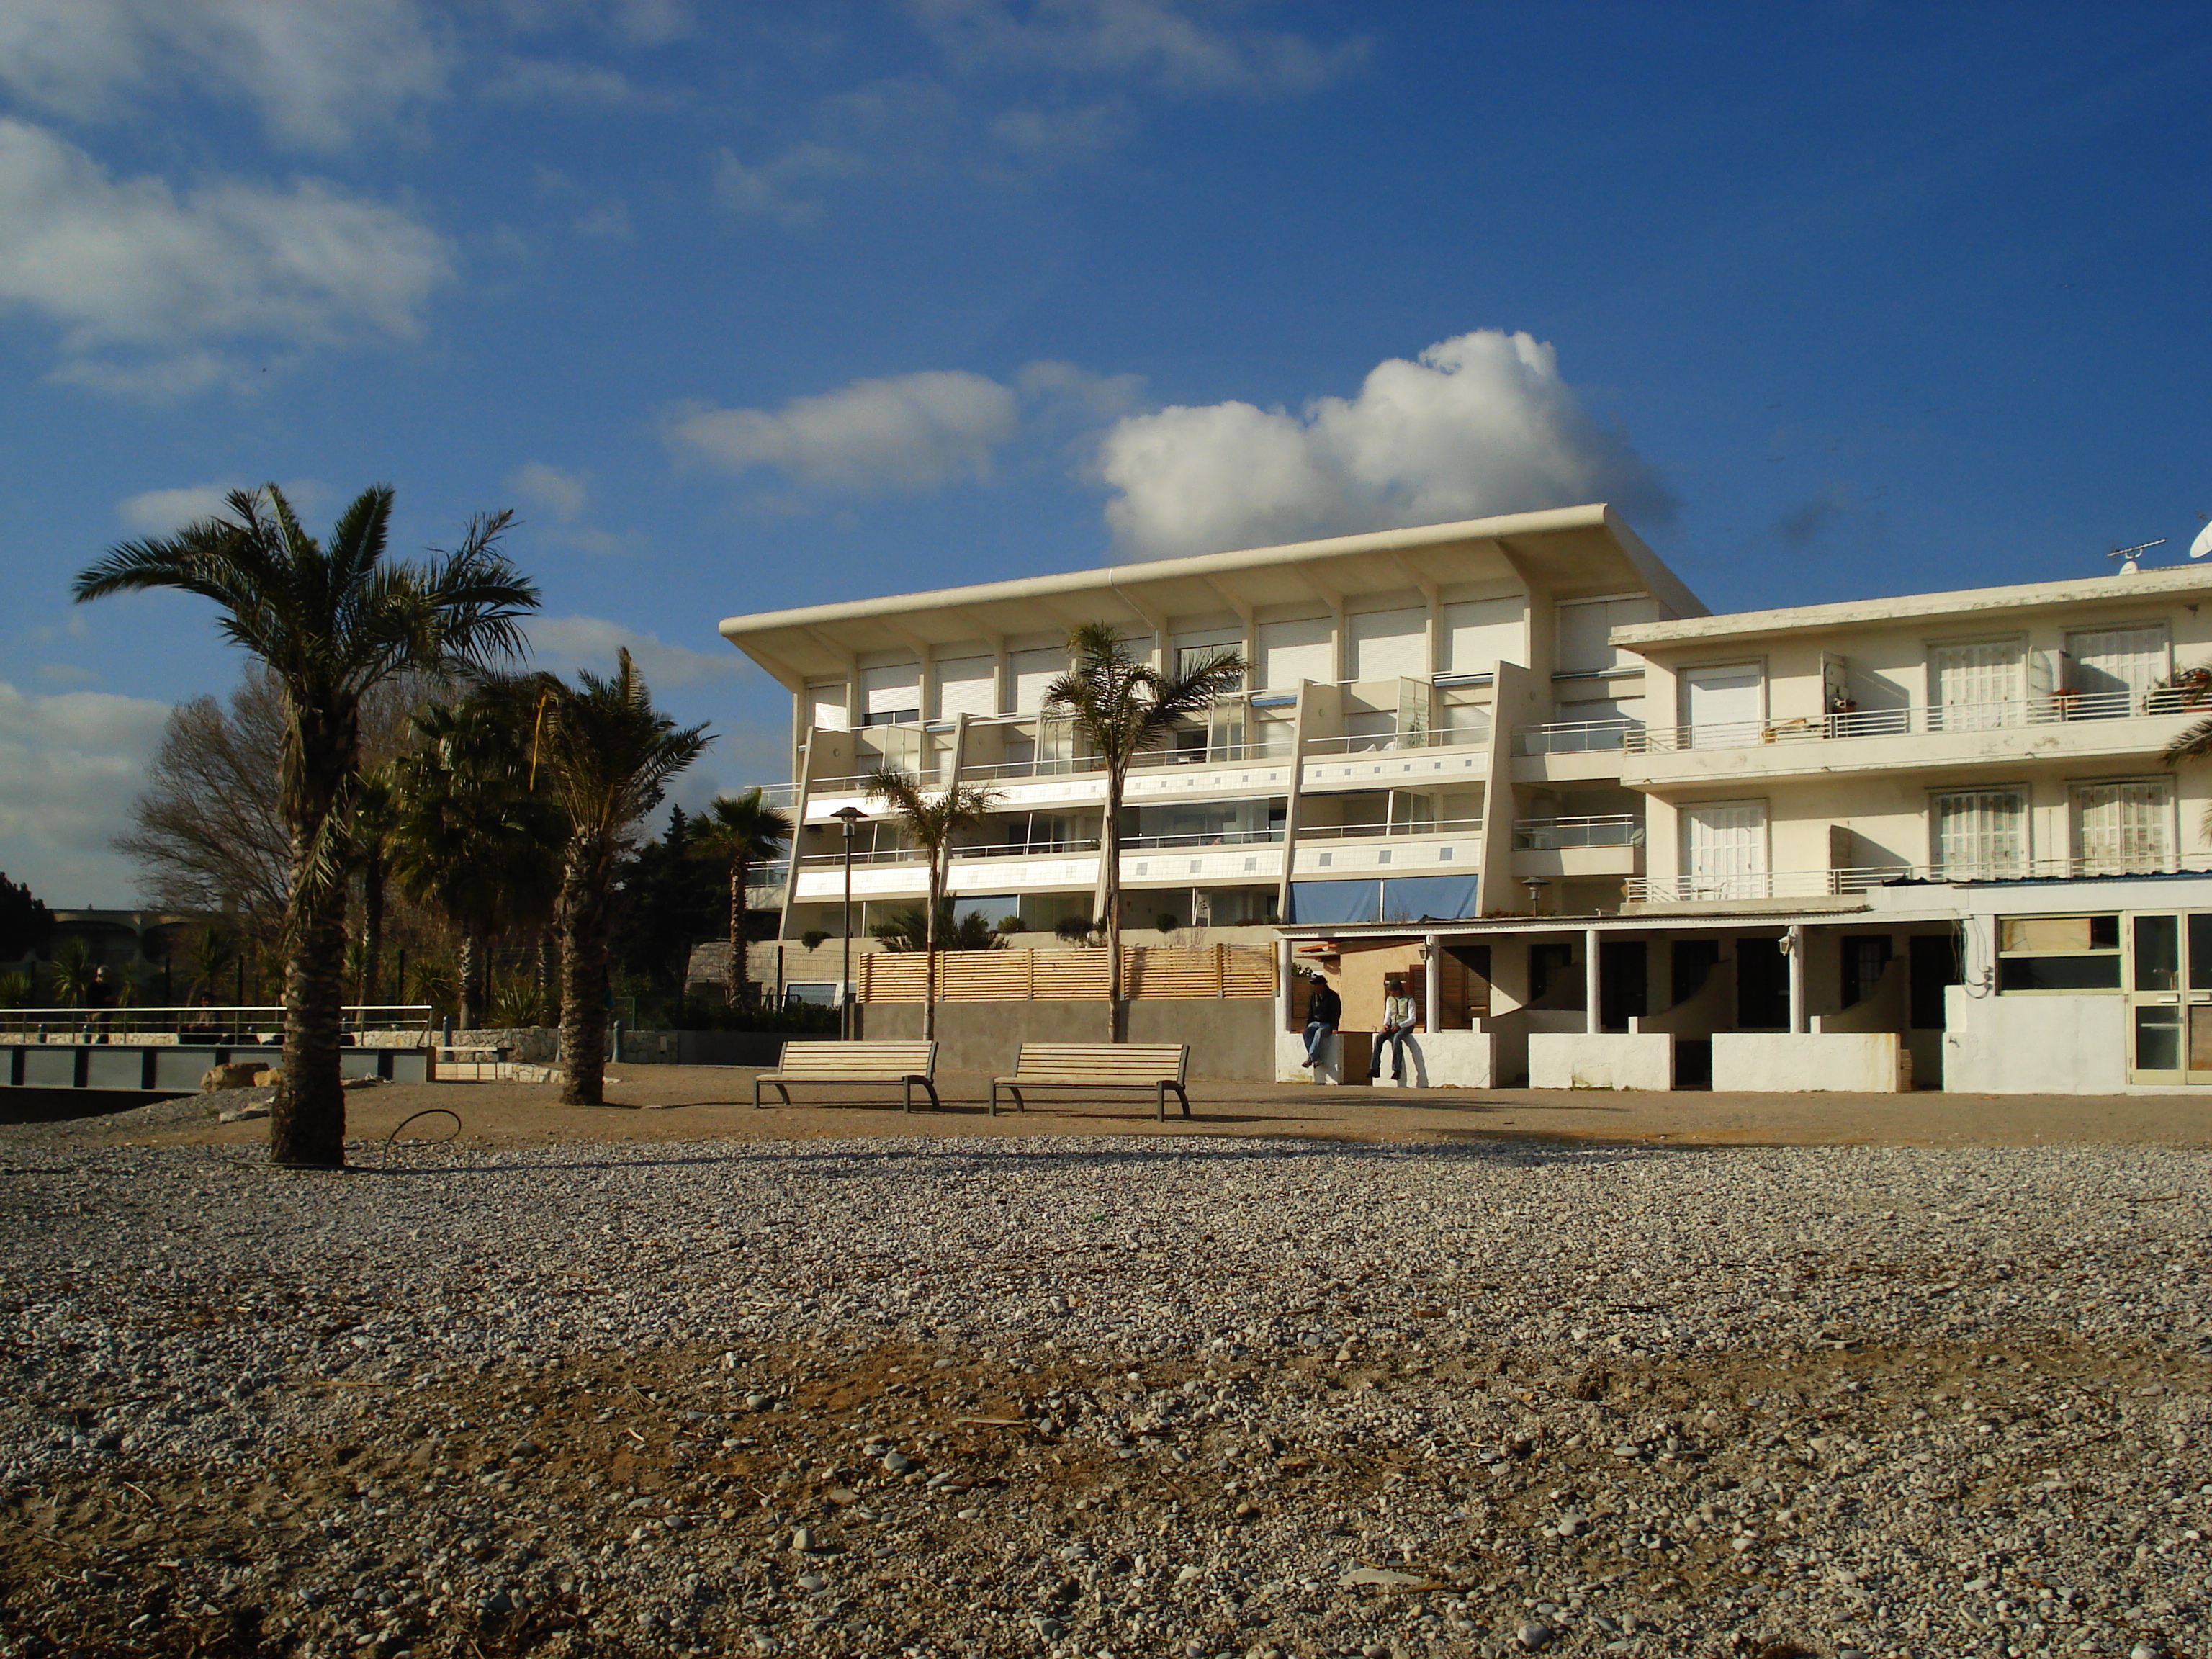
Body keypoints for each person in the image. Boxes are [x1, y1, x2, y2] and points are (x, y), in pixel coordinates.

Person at [1368, 973, 1418, 1083]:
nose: (1389, 992)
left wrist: (1400, 1026)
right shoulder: (1390, 999)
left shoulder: (1409, 1000)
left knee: (1397, 1039)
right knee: (1379, 1038)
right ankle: (1374, 1068)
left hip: (1405, 1025)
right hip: (1393, 1024)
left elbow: (1412, 1018)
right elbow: (1388, 1014)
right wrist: (1386, 1024)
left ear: (1397, 990)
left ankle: (1397, 1069)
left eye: (1391, 990)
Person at [1299, 970, 1341, 1069]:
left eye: (1316, 985)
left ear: (1322, 985)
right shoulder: (1313, 996)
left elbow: (1336, 1013)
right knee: (1307, 1032)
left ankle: (1311, 1058)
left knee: (1319, 1033)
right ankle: (1316, 1058)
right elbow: (1310, 1012)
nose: (1314, 987)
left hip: (1327, 1023)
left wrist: (1335, 1027)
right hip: (1315, 1022)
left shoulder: (1333, 996)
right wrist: (1306, 1027)